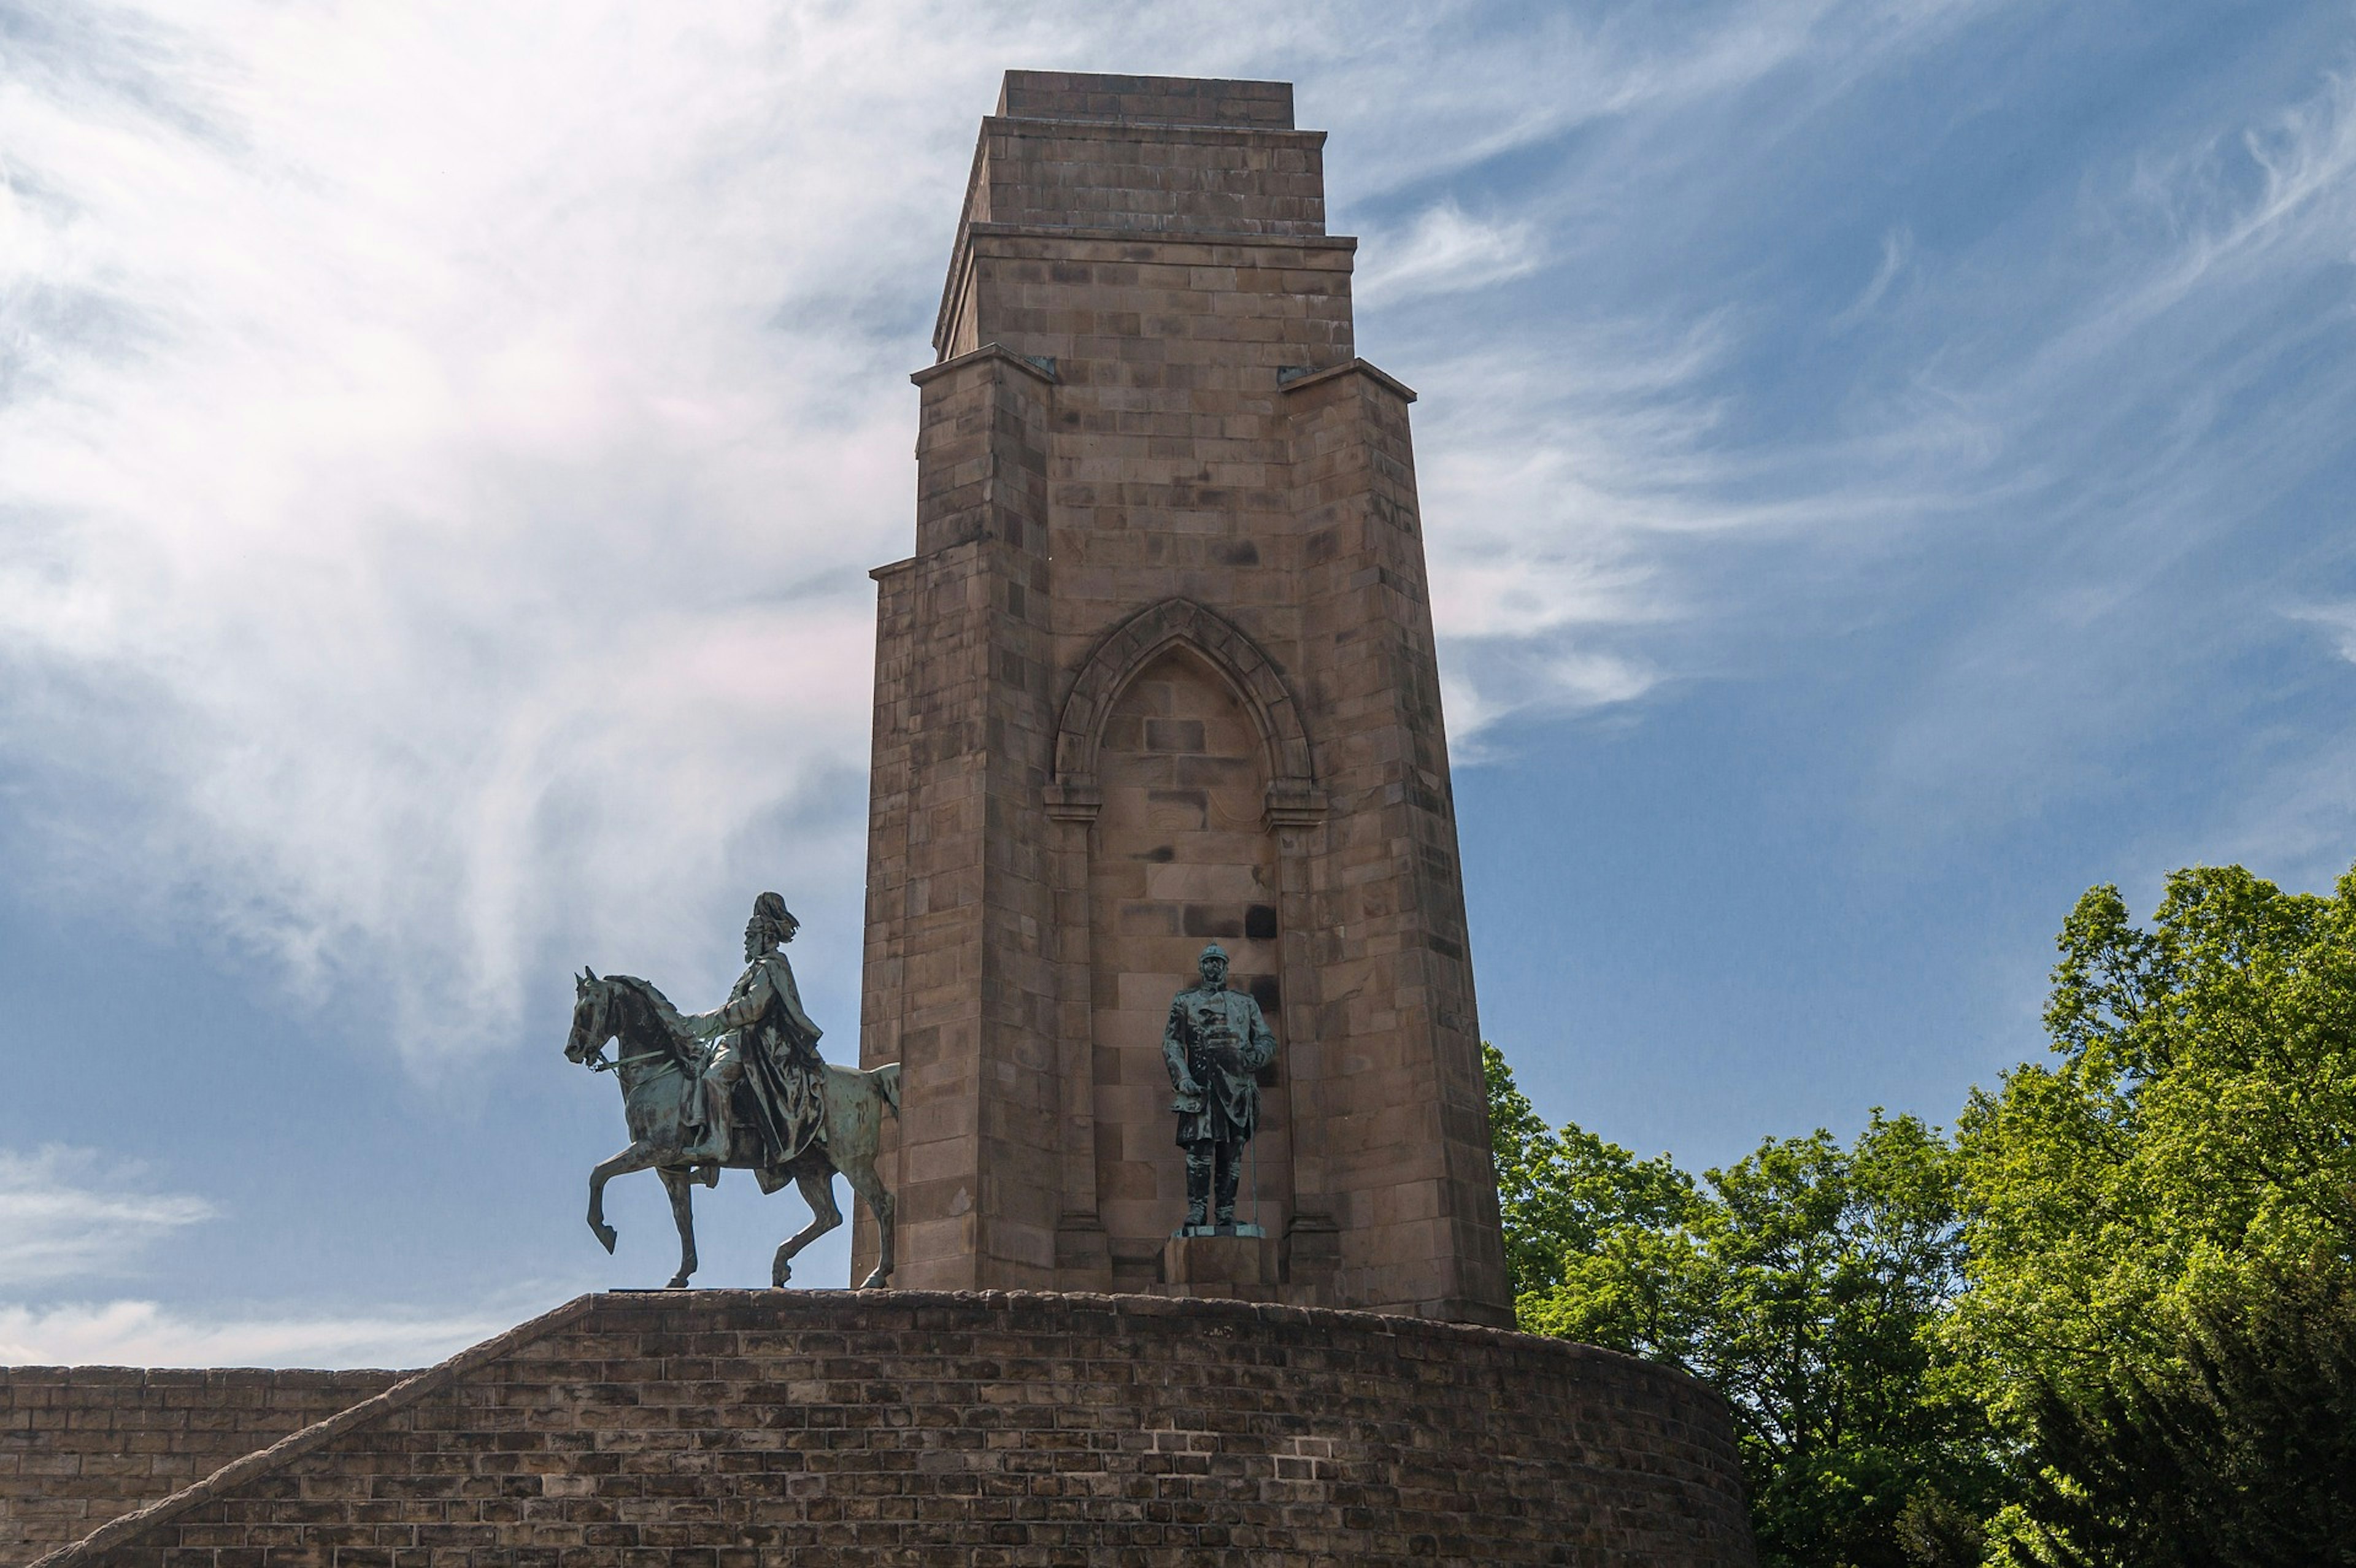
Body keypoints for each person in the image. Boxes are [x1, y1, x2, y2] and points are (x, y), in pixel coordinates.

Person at [675, 892, 827, 1170]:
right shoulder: (756, 969)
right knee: (695, 1073)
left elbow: (752, 1008)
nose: (746, 942)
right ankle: (709, 1156)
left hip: (760, 1045)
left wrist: (704, 1022)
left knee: (714, 1078)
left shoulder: (771, 966)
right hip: (741, 1041)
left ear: (766, 938)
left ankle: (719, 1144)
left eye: (750, 936)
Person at [1161, 942, 1277, 1229]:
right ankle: (1198, 1210)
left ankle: (1225, 1211)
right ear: (1201, 967)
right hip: (1203, 1085)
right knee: (1199, 1153)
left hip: (1237, 1087)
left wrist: (1257, 1055)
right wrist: (1183, 1077)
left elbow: (1266, 1038)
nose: (1214, 967)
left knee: (1231, 1154)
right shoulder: (1184, 1001)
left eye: (1219, 962)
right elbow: (1172, 1042)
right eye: (1209, 962)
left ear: (1226, 967)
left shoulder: (1245, 1002)